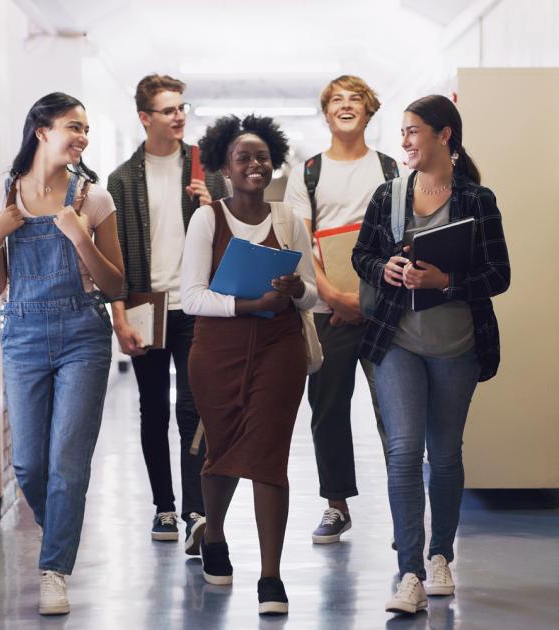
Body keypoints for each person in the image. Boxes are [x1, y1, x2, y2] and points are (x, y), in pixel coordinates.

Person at [352, 94, 510, 614]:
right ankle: (410, 572)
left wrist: (447, 281)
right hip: (396, 342)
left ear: (445, 136)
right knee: (402, 452)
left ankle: (440, 556)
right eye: (402, 132)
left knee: (443, 455)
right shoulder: (388, 196)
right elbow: (362, 255)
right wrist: (385, 270)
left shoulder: (476, 200)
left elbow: (499, 275)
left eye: (414, 131)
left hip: (457, 346)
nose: (405, 141)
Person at [0, 92, 124, 615]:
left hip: (83, 333)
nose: (82, 136)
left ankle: (54, 570)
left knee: (67, 464)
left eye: (86, 127)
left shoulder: (95, 198)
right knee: (29, 465)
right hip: (21, 334)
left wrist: (81, 237)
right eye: (72, 126)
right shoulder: (1, 194)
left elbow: (116, 283)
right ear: (41, 130)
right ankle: (60, 526)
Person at [180, 115, 317, 615]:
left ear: (274, 162)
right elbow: (191, 297)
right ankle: (213, 535)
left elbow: (313, 297)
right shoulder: (206, 219)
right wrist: (246, 305)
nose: (255, 164)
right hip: (217, 352)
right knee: (221, 448)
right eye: (244, 158)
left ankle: (271, 576)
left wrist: (298, 290)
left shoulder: (288, 221)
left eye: (262, 156)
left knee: (268, 453)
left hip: (279, 350)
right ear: (224, 168)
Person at [107, 74, 229, 553]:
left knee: (193, 409)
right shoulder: (121, 179)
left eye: (182, 107)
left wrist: (212, 205)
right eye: (167, 109)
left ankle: (197, 511)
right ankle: (164, 505)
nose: (179, 116)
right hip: (144, 303)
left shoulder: (208, 169)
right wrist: (118, 314)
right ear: (144, 117)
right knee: (152, 408)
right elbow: (113, 257)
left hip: (196, 303)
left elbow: (235, 235)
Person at [283, 75, 398, 543]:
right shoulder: (306, 173)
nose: (346, 106)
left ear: (370, 112)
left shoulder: (392, 170)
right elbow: (301, 241)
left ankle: (403, 508)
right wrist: (331, 295)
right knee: (327, 408)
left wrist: (372, 299)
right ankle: (336, 505)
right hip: (328, 310)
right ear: (326, 113)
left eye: (356, 100)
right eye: (337, 100)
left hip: (385, 310)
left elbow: (400, 236)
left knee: (394, 411)